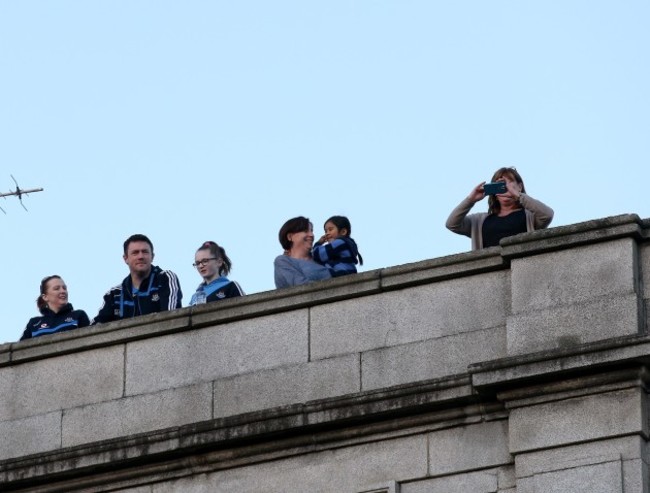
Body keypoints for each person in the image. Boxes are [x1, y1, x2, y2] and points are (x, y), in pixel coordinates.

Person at [446, 167, 554, 250]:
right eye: (500, 184)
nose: (504, 187)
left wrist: (518, 195)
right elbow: (452, 224)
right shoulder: (479, 220)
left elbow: (547, 214)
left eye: (509, 182)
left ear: (519, 186)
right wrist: (470, 200)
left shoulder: (530, 216)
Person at [92, 234, 182, 324]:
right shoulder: (114, 294)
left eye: (145, 252)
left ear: (152, 256)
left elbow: (171, 317)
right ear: (125, 258)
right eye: (135, 253)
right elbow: (94, 328)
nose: (140, 256)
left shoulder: (166, 278)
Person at [21, 275, 90, 340]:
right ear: (45, 297)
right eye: (57, 289)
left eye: (64, 288)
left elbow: (90, 340)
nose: (63, 291)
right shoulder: (34, 323)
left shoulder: (78, 315)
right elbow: (20, 349)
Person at [274, 216, 332, 288]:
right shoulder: (283, 261)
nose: (311, 235)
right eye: (305, 231)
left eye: (311, 231)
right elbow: (301, 286)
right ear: (290, 237)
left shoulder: (320, 257)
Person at [189, 241, 244, 305]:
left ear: (219, 262)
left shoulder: (231, 286)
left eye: (205, 261)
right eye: (197, 263)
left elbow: (244, 309)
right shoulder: (195, 296)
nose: (201, 266)